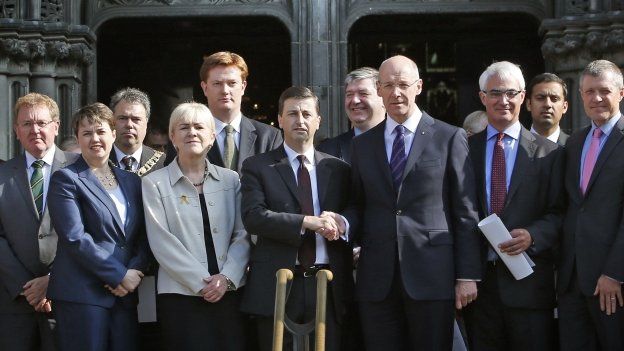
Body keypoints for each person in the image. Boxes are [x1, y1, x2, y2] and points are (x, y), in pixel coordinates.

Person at [340, 55, 481, 351]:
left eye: (403, 84)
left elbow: (464, 211)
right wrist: (342, 224)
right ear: (379, 89)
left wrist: (467, 275)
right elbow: (358, 204)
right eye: (388, 85)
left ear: (419, 87)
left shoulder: (449, 137)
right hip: (377, 279)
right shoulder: (362, 145)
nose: (396, 93)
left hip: (432, 275)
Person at [240, 86, 352, 351]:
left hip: (328, 284)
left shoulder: (338, 169)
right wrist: (306, 222)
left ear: (318, 120)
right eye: (291, 113)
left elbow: (355, 211)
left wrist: (342, 223)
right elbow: (253, 217)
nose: (299, 120)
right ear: (279, 119)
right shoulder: (257, 166)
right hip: (279, 283)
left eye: (306, 114)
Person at [463, 61, 564, 351]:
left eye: (511, 92)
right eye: (495, 93)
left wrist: (534, 235)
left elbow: (561, 213)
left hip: (530, 288)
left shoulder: (551, 154)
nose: (503, 100)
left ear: (523, 97)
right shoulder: (464, 149)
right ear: (483, 98)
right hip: (479, 289)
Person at [142, 102, 250, 351]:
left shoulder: (231, 180)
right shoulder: (154, 183)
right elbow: (161, 241)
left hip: (230, 291)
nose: (192, 132)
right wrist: (201, 283)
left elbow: (243, 234)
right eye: (184, 127)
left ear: (212, 135)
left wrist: (226, 278)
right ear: (172, 136)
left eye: (199, 127)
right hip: (180, 295)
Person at [47, 103, 150, 351]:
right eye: (87, 133)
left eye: (101, 131)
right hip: (82, 295)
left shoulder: (132, 181)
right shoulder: (66, 179)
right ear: (78, 139)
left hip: (124, 296)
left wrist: (134, 272)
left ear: (113, 134)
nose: (95, 139)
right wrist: (118, 275)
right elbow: (74, 238)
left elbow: (144, 235)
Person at [0, 93, 78, 351]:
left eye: (42, 123)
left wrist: (54, 279)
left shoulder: (81, 169)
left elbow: (93, 230)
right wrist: (25, 287)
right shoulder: (1, 175)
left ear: (56, 126)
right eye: (26, 124)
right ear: (16, 131)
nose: (35, 130)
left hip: (68, 298)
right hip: (14, 304)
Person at [558, 59, 624, 351]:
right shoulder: (575, 142)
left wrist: (615, 272)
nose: (596, 98)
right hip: (573, 280)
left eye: (604, 91)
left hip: (612, 283)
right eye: (588, 92)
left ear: (620, 93)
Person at [199, 51, 283, 173]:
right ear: (205, 88)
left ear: (243, 87)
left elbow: (277, 185)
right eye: (217, 83)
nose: (225, 90)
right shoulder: (187, 137)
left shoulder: (269, 137)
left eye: (232, 83)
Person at [318, 67, 385, 163]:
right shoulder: (327, 151)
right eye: (349, 94)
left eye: (363, 93)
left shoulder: (400, 145)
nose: (355, 100)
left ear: (383, 98)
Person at [109, 87, 166, 176]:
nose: (129, 125)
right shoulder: (97, 161)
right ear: (112, 121)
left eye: (136, 119)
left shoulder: (164, 164)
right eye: (123, 118)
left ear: (146, 123)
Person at [526, 73, 570, 146]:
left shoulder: (576, 148)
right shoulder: (513, 146)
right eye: (540, 98)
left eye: (554, 99)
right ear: (528, 104)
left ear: (564, 107)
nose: (547, 104)